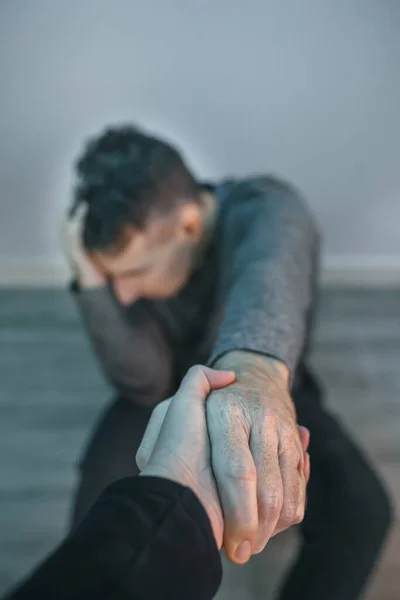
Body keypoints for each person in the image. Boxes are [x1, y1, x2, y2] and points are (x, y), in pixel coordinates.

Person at [63, 125, 391, 599]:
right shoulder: (120, 272)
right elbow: (144, 382)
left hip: (260, 381)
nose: (123, 294)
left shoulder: (264, 209)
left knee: (362, 510)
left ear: (190, 226)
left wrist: (257, 374)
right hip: (162, 394)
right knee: (103, 520)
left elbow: (270, 276)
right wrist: (90, 283)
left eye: (135, 273)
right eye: (110, 278)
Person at [6, 366, 308, 599]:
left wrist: (256, 371)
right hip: (152, 394)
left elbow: (270, 299)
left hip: (264, 387)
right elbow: (143, 374)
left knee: (351, 502)